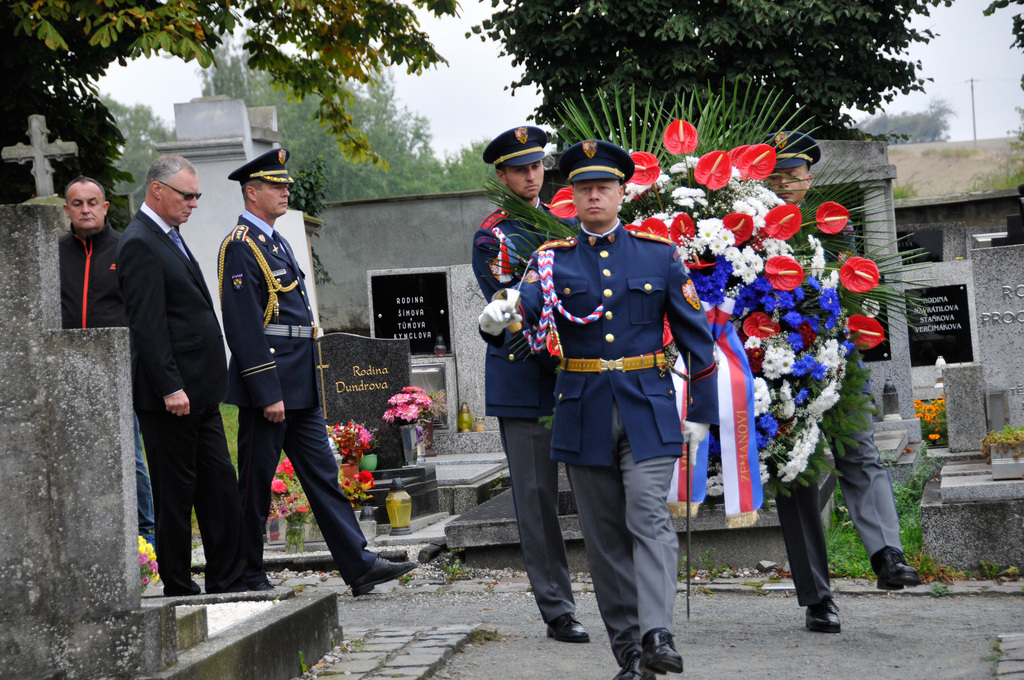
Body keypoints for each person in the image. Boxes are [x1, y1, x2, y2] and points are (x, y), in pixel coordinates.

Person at [479, 140, 719, 680]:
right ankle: (630, 651)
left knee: (647, 515)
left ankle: (658, 631)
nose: (593, 195)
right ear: (572, 196)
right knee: (605, 536)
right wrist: (495, 320)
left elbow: (697, 341)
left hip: (648, 407)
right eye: (584, 187)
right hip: (584, 409)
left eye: (603, 186)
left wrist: (701, 412)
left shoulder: (658, 254)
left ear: (621, 193)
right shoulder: (551, 261)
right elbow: (521, 314)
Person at [218, 148, 416, 596]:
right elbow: (244, 325)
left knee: (324, 475)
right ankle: (245, 572)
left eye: (285, 183)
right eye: (275, 185)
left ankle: (359, 565)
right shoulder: (239, 246)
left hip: (299, 381)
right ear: (252, 193)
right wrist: (267, 390)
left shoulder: (276, 239)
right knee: (254, 483)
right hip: (267, 385)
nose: (285, 189)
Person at [764, 131, 921, 634]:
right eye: (777, 172)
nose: (786, 181)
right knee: (798, 475)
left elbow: (850, 286)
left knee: (861, 453)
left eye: (795, 172)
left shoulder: (831, 225)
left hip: (837, 361)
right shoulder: (746, 228)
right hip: (779, 370)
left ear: (809, 178)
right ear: (761, 175)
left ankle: (887, 555)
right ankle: (817, 598)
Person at [473, 126, 589, 644]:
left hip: (580, 376)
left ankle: (620, 594)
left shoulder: (566, 220)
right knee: (538, 500)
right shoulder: (494, 235)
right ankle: (558, 608)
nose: (531, 175)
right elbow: (508, 307)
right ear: (501, 175)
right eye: (520, 168)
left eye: (537, 165)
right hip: (525, 379)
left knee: (598, 491)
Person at [117, 155, 246, 596]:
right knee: (177, 493)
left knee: (218, 488)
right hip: (171, 397)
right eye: (186, 195)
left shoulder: (169, 235)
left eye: (197, 196)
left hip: (201, 391)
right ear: (157, 190)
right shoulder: (139, 241)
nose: (193, 203)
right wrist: (170, 385)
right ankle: (177, 583)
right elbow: (148, 324)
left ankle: (227, 578)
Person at [59, 176, 157, 548]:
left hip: (120, 372)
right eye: (77, 203)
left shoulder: (125, 248)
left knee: (130, 459)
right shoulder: (54, 254)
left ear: (104, 207)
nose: (85, 209)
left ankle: (146, 537)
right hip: (66, 372)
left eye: (92, 202)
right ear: (67, 210)